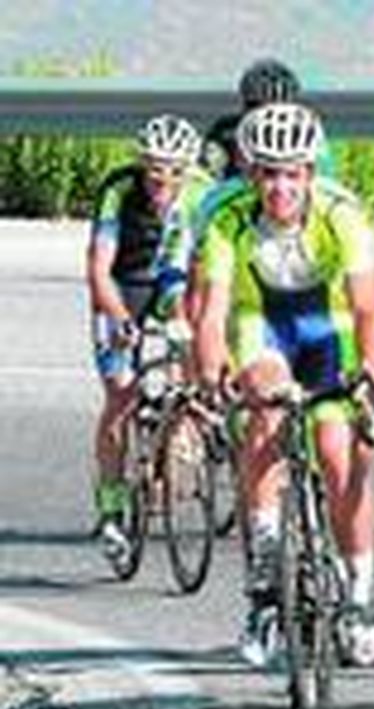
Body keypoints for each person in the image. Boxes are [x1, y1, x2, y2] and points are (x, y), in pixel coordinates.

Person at [193, 102, 374, 668]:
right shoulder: (229, 219)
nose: (280, 186)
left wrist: (371, 374)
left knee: (338, 455)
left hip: (330, 327)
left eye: (292, 173)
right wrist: (212, 371)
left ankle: (358, 598)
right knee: (265, 418)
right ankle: (264, 586)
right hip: (264, 327)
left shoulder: (341, 215)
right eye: (268, 173)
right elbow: (211, 314)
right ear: (252, 174)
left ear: (310, 173)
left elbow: (369, 306)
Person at [87, 114, 213, 561]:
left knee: (192, 352)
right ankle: (111, 505)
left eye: (174, 169)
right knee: (121, 395)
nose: (163, 178)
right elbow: (98, 271)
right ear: (142, 164)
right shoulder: (119, 192)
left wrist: (195, 326)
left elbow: (206, 266)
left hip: (172, 280)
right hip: (123, 284)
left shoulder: (202, 192)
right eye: (155, 167)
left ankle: (179, 429)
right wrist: (121, 320)